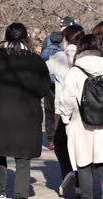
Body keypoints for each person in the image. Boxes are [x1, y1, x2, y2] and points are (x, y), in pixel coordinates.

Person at [0, 22, 51, 199]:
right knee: (23, 157)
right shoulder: (34, 59)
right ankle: (20, 194)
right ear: (26, 37)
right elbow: (44, 88)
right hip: (27, 114)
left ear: (6, 36)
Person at [60, 34, 103, 199]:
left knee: (84, 164)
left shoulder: (75, 71)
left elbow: (66, 100)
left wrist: (65, 119)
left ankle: (86, 196)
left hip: (81, 124)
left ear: (81, 48)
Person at [46, 25, 84, 196]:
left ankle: (68, 173)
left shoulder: (58, 57)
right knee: (82, 147)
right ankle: (80, 182)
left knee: (61, 145)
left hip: (61, 110)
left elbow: (42, 73)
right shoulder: (87, 57)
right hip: (85, 110)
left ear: (66, 39)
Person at [40, 31, 63, 150]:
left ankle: (51, 139)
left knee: (49, 110)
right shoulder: (66, 43)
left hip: (48, 81)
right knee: (60, 111)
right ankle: (59, 137)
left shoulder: (46, 42)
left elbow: (41, 62)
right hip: (62, 81)